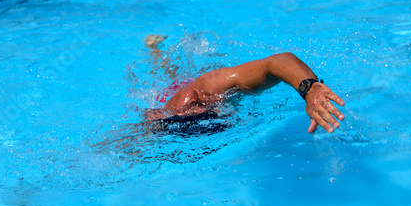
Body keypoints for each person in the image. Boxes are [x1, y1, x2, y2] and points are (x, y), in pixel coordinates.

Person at [144, 36, 345, 134]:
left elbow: (278, 61)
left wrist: (309, 88)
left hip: (198, 87)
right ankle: (154, 51)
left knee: (178, 76)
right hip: (169, 102)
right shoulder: (170, 114)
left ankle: (155, 51)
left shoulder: (206, 91)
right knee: (169, 77)